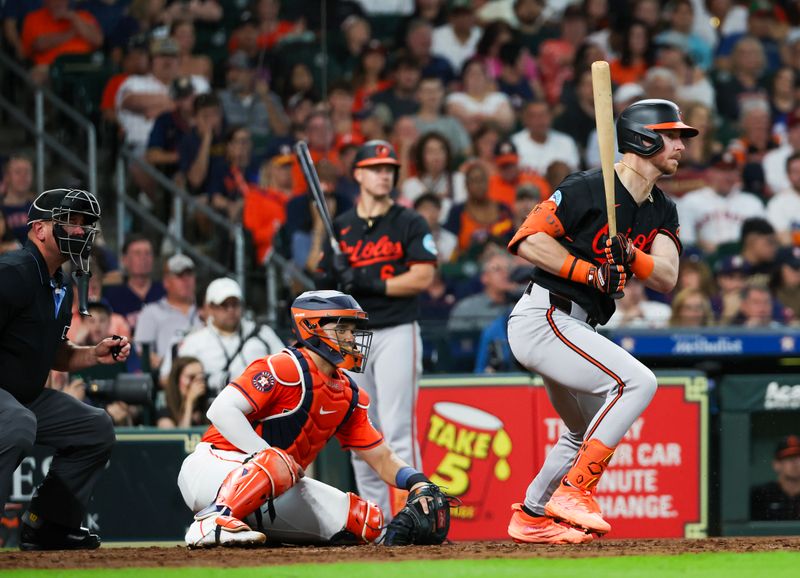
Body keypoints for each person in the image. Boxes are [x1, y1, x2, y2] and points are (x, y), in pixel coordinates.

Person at [504, 99, 697, 544]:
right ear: (642, 137)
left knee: (584, 430)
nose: (681, 145)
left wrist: (632, 257)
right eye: (672, 135)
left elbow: (666, 277)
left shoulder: (661, 208)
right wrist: (588, 271)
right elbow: (527, 241)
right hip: (545, 315)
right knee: (638, 382)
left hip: (579, 326)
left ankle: (532, 515)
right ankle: (576, 491)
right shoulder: (588, 187)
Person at [177, 290, 450, 547]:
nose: (351, 338)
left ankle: (248, 527)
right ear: (311, 327)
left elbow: (381, 457)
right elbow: (221, 410)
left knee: (367, 522)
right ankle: (211, 521)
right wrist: (267, 454)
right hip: (212, 470)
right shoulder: (283, 367)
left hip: (272, 490)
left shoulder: (348, 394)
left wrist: (418, 481)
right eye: (341, 329)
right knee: (278, 461)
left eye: (351, 330)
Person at [0, 188, 131, 550]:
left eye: (83, 224)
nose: (78, 230)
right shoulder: (12, 272)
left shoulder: (60, 282)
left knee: (95, 427)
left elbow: (53, 352)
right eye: (68, 222)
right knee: (16, 422)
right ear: (39, 229)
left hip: (22, 396)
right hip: (8, 400)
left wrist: (94, 354)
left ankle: (47, 526)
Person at [318, 141, 437, 520]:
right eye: (375, 168)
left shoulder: (409, 221)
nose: (384, 174)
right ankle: (377, 519)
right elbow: (320, 277)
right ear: (358, 175)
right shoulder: (342, 227)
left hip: (396, 328)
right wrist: (333, 272)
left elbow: (423, 275)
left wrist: (370, 281)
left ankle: (416, 516)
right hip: (352, 335)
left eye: (389, 168)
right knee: (359, 430)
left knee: (398, 428)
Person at [160, 277, 284, 393]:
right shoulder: (194, 341)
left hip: (264, 402)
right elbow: (169, 379)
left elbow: (286, 365)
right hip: (213, 408)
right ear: (210, 308)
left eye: (235, 304)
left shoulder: (262, 333)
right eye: (224, 305)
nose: (231, 310)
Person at [133, 253, 200, 373]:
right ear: (166, 282)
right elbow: (141, 350)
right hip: (167, 377)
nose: (186, 280)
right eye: (179, 275)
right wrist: (158, 362)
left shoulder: (208, 311)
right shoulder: (151, 312)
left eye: (189, 274)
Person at [750, 435, 800, 520]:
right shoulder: (760, 495)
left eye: (798, 457)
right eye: (788, 458)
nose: (794, 462)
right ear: (776, 464)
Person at [157, 356, 208, 429]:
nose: (197, 382)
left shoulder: (208, 409)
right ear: (177, 380)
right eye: (191, 377)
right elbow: (180, 437)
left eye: (201, 377)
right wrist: (189, 402)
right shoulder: (166, 414)